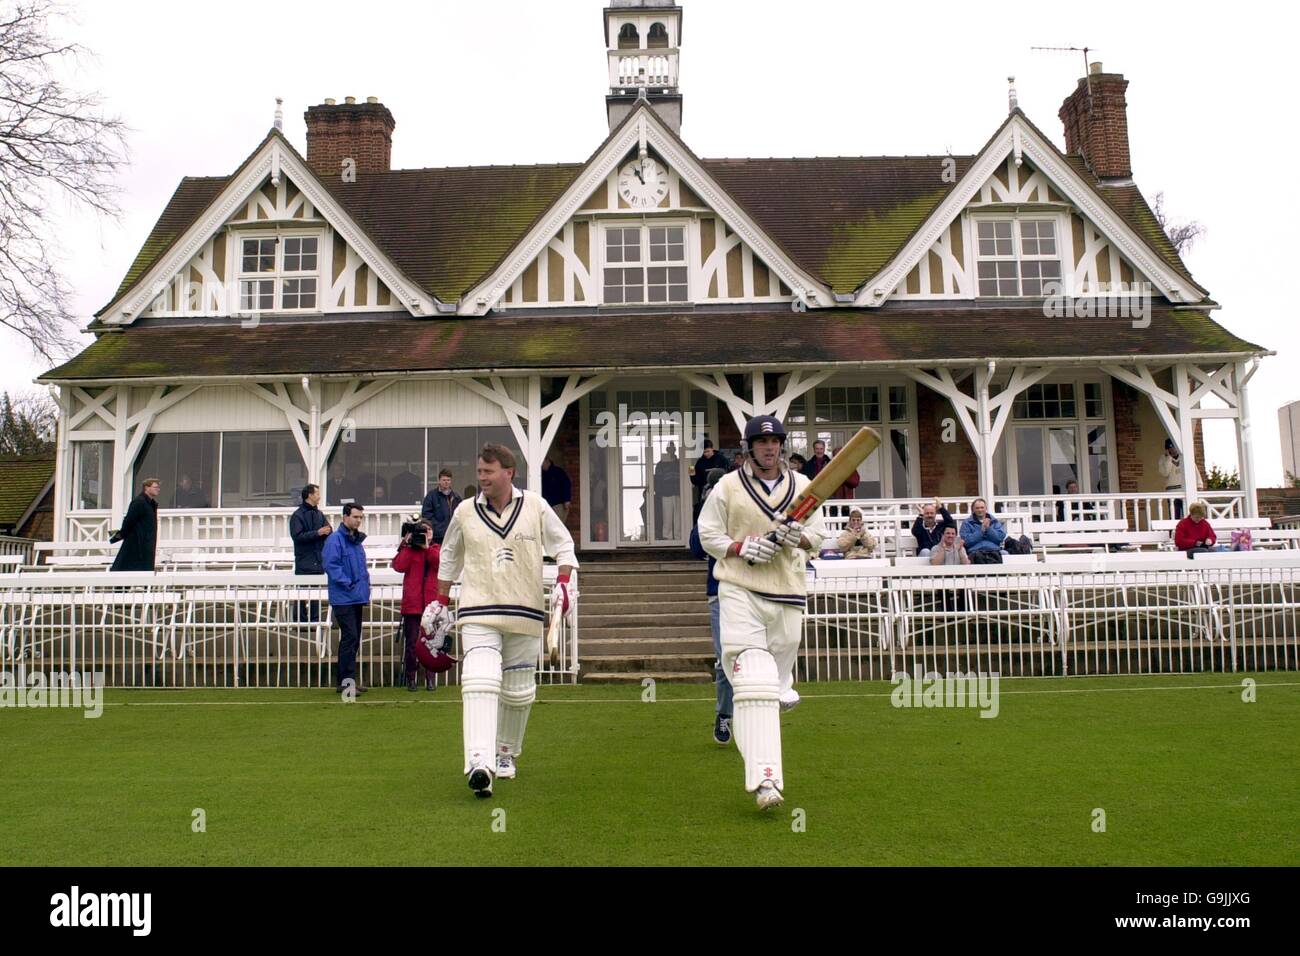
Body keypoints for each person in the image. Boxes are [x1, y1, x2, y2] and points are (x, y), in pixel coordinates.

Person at [423, 443, 578, 798]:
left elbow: (564, 547)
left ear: (509, 473)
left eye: (488, 472)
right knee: (479, 678)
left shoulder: (536, 507)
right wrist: (440, 601)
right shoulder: (464, 511)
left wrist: (564, 583)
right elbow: (449, 558)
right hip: (479, 610)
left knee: (518, 691)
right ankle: (479, 763)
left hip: (525, 611)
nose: (482, 478)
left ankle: (505, 752)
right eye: (479, 472)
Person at [697, 415, 827, 811]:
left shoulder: (804, 487)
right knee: (753, 679)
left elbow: (818, 537)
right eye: (761, 442)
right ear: (748, 447)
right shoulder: (727, 486)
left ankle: (781, 686)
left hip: (788, 591)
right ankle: (766, 781)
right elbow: (706, 535)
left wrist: (798, 537)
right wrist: (741, 548)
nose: (769, 448)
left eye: (775, 442)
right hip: (739, 589)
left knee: (772, 686)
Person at [688, 467, 733, 746]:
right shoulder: (709, 509)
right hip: (719, 590)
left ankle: (758, 712)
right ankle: (725, 714)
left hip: (749, 588)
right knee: (723, 659)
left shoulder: (742, 504)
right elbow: (695, 546)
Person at [323, 503, 370, 695]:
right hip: (344, 598)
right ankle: (346, 683)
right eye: (356, 517)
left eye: (360, 517)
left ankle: (347, 681)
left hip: (355, 596)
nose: (358, 520)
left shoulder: (355, 541)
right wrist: (348, 583)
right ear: (345, 517)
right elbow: (331, 565)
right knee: (350, 638)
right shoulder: (335, 540)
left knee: (352, 639)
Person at [392, 518, 442, 691]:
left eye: (428, 529)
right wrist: (406, 544)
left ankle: (430, 678)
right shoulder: (410, 550)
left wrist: (427, 547)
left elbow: (438, 563)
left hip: (430, 606)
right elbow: (398, 565)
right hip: (412, 605)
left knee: (430, 643)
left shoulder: (435, 549)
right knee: (412, 644)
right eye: (423, 530)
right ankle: (411, 678)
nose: (425, 532)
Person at [289, 483, 331, 621]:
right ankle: (299, 621)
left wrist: (327, 532)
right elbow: (297, 537)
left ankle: (315, 620)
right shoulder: (297, 515)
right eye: (317, 494)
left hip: (318, 558)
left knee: (316, 594)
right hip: (304, 558)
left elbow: (328, 530)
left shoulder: (319, 514)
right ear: (310, 495)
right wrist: (317, 533)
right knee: (302, 593)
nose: (319, 497)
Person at [110, 478, 161, 571]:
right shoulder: (139, 502)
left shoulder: (151, 504)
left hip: (146, 542)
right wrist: (119, 536)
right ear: (147, 488)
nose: (158, 489)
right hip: (137, 542)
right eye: (155, 487)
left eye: (158, 487)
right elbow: (129, 521)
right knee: (128, 568)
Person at [691, 440, 730, 520]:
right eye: (704, 452)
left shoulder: (721, 459)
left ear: (712, 449)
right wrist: (692, 475)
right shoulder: (700, 462)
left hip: (720, 493)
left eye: (708, 451)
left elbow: (728, 475)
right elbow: (696, 482)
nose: (706, 454)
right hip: (705, 495)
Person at [420, 468, 462, 545]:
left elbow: (461, 514)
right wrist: (439, 528)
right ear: (439, 481)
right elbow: (426, 516)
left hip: (453, 536)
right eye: (444, 480)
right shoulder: (431, 496)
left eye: (448, 480)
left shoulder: (456, 497)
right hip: (437, 537)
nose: (446, 482)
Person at [960, 498, 1006, 563]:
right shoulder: (967, 523)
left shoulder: (994, 521)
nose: (980, 510)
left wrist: (988, 529)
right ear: (973, 509)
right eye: (977, 508)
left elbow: (999, 538)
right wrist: (981, 531)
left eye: (982, 507)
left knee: (1005, 554)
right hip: (975, 552)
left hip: (994, 551)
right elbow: (966, 541)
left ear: (986, 508)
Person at [655, 442, 682, 539]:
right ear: (666, 450)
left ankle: (679, 537)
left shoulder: (680, 462)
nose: (671, 450)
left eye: (672, 448)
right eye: (669, 448)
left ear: (675, 449)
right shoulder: (661, 464)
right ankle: (667, 537)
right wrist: (658, 492)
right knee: (667, 516)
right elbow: (657, 478)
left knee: (678, 516)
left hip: (678, 492)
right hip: (666, 493)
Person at [540, 456, 573, 524]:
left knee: (557, 527)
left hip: (558, 505)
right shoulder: (540, 474)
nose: (541, 465)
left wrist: (567, 500)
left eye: (542, 462)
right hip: (546, 506)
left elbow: (566, 484)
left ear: (547, 461)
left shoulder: (558, 472)